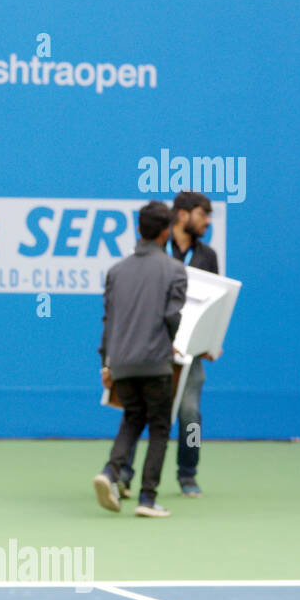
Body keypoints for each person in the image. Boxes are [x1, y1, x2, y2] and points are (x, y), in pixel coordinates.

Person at [117, 190, 219, 498]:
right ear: (183, 215)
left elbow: (215, 302)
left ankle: (188, 474)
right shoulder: (155, 252)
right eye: (203, 214)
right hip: (154, 346)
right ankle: (123, 473)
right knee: (138, 412)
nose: (208, 222)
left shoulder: (208, 256)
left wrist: (211, 339)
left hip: (192, 351)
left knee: (191, 415)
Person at [94, 200, 186, 519]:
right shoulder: (175, 269)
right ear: (166, 231)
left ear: (138, 230)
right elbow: (173, 317)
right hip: (156, 362)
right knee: (159, 427)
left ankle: (110, 470)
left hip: (120, 364)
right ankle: (147, 498)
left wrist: (106, 363)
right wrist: (172, 344)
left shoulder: (116, 271)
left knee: (133, 418)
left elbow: (109, 320)